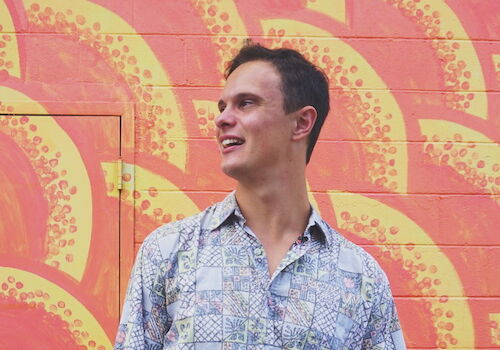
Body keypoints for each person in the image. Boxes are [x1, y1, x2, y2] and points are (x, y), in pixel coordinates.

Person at [114, 41, 406, 349]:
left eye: (246, 103)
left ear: (302, 122)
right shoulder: (168, 252)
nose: (222, 119)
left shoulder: (361, 279)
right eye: (222, 106)